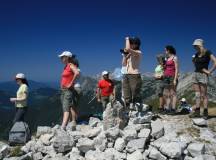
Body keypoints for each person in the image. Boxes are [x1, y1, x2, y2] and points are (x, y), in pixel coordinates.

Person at [189, 39, 216, 119]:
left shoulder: (208, 52)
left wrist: (209, 71)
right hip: (196, 74)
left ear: (199, 45)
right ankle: (197, 112)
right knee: (197, 95)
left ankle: (205, 112)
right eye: (194, 46)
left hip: (203, 75)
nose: (194, 47)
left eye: (195, 46)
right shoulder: (196, 54)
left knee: (204, 95)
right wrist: (193, 60)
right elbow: (196, 65)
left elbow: (215, 61)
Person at [59, 51, 80, 131]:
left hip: (68, 90)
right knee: (66, 107)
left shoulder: (70, 65)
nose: (61, 59)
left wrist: (71, 83)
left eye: (62, 57)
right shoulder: (66, 66)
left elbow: (77, 73)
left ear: (67, 58)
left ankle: (63, 126)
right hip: (63, 90)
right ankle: (67, 124)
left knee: (66, 108)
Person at [122, 37, 142, 110]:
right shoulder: (129, 54)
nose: (130, 44)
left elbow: (127, 48)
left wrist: (127, 39)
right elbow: (123, 64)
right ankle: (127, 108)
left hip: (134, 75)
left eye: (131, 43)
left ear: (136, 44)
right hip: (127, 74)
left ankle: (137, 107)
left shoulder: (138, 52)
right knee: (126, 92)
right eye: (130, 43)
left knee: (135, 93)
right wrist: (125, 55)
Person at [163, 45, 179, 115]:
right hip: (166, 76)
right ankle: (167, 108)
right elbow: (165, 68)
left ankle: (173, 109)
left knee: (173, 93)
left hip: (172, 76)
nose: (165, 51)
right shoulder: (167, 58)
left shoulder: (174, 58)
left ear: (169, 50)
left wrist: (175, 79)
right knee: (167, 93)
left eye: (165, 50)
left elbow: (177, 69)